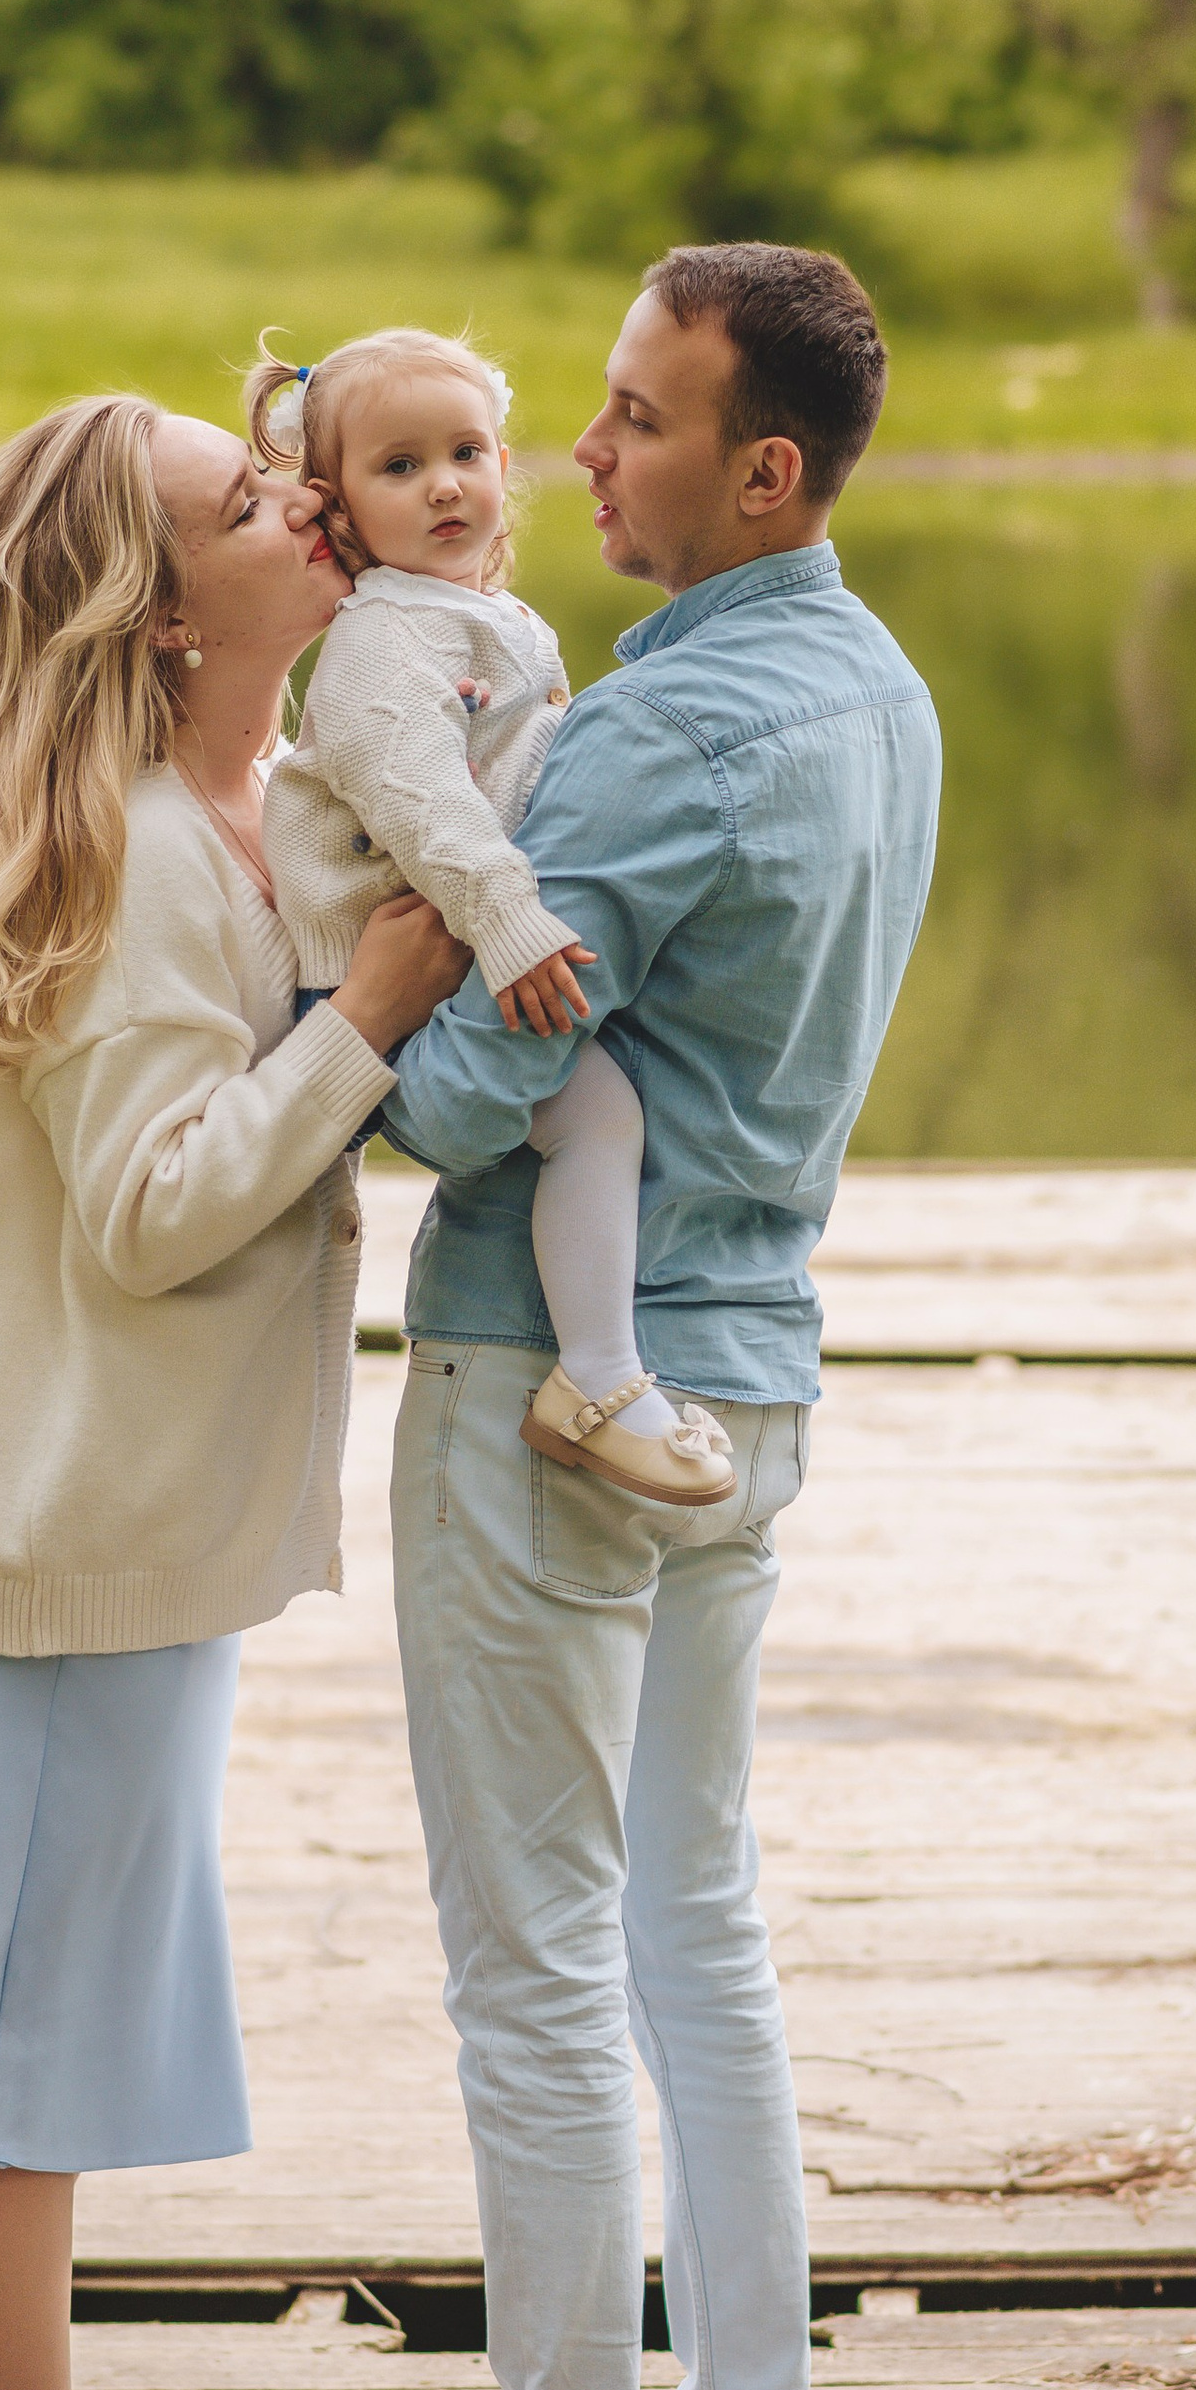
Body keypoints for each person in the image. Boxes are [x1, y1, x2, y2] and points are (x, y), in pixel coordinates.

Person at [0, 390, 467, 2390]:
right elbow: (149, 1207)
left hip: (142, 1525)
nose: (310, 508)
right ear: (160, 600)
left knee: (52, 1980)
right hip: (60, 1523)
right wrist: (361, 1022)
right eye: (248, 500)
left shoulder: (271, 811)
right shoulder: (120, 851)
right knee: (8, 2028)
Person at [382, 242, 942, 2390]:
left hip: (553, 1390)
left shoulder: (669, 724)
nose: (576, 455)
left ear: (762, 467)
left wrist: (348, 1021)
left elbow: (453, 1091)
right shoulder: (880, 692)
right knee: (690, 1925)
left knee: (532, 1964)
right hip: (752, 1381)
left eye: (629, 418)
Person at [248, 325, 732, 1509]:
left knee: (614, 1108)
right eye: (399, 467)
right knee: (597, 1117)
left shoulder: (480, 616)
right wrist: (513, 925)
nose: (445, 484)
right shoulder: (377, 641)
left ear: (506, 463)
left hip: (458, 939)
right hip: (392, 975)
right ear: (340, 509)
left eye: (466, 451)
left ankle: (615, 1349)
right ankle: (598, 1380)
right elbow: (424, 808)